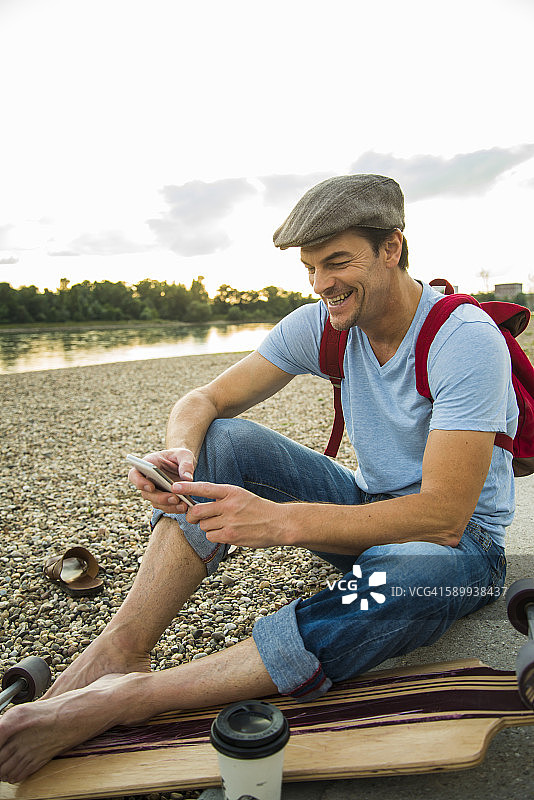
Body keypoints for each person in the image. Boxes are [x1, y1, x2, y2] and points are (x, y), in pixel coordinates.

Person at [0, 174, 516, 783]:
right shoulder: (323, 324)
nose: (322, 284)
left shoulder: (464, 340)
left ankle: (133, 696)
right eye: (311, 268)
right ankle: (121, 650)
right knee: (223, 440)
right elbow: (203, 400)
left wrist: (280, 521)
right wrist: (181, 456)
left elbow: (444, 518)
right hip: (366, 508)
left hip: (462, 550)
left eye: (338, 262)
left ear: (391, 248)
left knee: (408, 576)